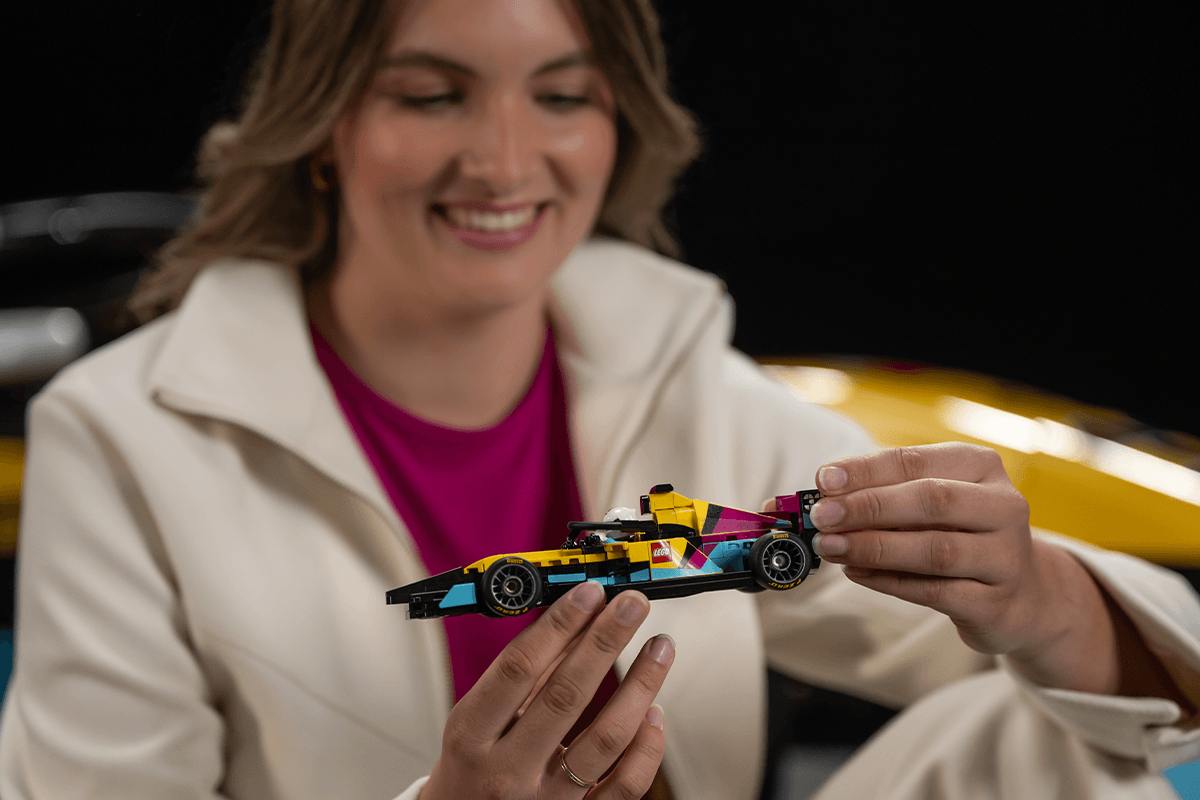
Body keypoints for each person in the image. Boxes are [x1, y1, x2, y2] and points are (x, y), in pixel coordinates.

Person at [2, 1, 1199, 798]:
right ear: (324, 126)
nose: (504, 161)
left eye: (562, 96)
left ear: (617, 124)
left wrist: (1047, 594)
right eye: (432, 95)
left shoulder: (683, 375)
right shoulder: (121, 435)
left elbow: (1112, 703)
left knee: (1057, 734)